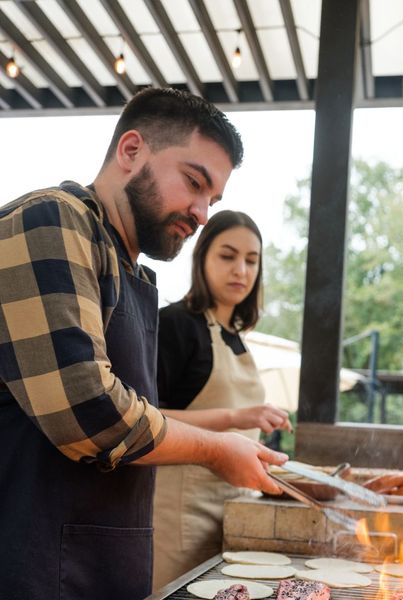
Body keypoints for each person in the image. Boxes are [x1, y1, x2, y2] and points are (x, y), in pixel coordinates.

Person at [0, 87, 287, 600]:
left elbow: (141, 418)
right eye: (194, 183)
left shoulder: (135, 273)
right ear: (131, 151)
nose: (202, 214)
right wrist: (216, 449)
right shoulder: (48, 221)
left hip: (106, 567)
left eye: (213, 200)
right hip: (35, 568)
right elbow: (88, 412)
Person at [152, 210, 293, 589]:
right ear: (202, 259)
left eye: (251, 260)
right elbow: (146, 418)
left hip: (234, 511)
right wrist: (236, 416)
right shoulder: (177, 325)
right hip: (180, 517)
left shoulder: (236, 335)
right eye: (227, 256)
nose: (241, 271)